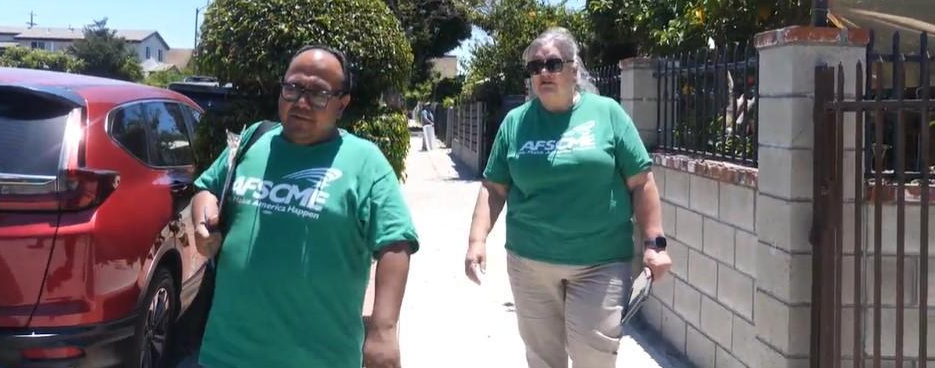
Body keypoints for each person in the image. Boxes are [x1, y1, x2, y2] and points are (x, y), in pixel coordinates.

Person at [192, 45, 419, 368]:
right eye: (293, 88)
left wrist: (383, 330)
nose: (301, 102)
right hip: (225, 353)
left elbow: (395, 241)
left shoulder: (364, 161)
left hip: (320, 357)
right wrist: (203, 221)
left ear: (342, 104)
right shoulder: (252, 141)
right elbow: (206, 189)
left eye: (318, 93)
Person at [463, 27, 672, 368]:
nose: (543, 73)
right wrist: (476, 241)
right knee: (543, 359)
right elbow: (494, 188)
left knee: (595, 357)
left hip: (600, 264)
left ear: (575, 70)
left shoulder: (608, 114)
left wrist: (655, 244)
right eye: (535, 67)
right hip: (530, 263)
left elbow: (642, 183)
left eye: (553, 63)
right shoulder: (515, 124)